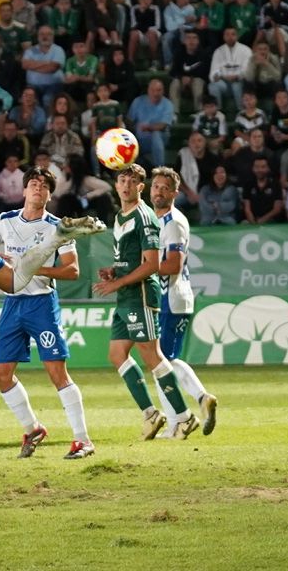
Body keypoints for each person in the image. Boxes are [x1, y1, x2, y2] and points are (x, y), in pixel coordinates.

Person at [0, 166, 95, 460]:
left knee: (57, 372)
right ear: (23, 191)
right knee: (0, 374)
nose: (38, 189)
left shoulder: (59, 227)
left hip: (41, 303)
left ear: (49, 194)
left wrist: (34, 267)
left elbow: (72, 270)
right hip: (12, 302)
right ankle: (32, 428)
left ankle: (82, 440)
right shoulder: (4, 221)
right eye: (33, 184)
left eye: (44, 186)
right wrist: (1, 261)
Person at [91, 164, 195, 440]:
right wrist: (115, 270)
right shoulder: (120, 215)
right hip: (126, 294)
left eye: (133, 181)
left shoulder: (144, 216)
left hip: (140, 295)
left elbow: (151, 264)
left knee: (153, 355)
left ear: (141, 187)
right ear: (115, 185)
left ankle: (184, 418)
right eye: (122, 180)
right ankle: (151, 414)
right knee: (116, 354)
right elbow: (131, 258)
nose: (126, 185)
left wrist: (119, 282)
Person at [150, 168, 219, 435]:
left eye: (165, 188)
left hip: (172, 298)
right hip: (166, 298)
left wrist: (143, 269)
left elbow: (174, 265)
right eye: (155, 186)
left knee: (161, 362)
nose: (159, 191)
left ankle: (177, 420)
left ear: (175, 193)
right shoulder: (156, 220)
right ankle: (201, 399)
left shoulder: (173, 222)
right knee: (165, 360)